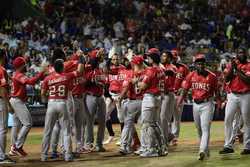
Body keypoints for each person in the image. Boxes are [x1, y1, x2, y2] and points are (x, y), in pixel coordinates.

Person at [40, 57, 84, 162]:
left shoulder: (48, 78)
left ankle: (44, 155)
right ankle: (68, 155)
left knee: (47, 131)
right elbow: (79, 71)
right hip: (62, 103)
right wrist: (81, 60)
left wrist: (47, 100)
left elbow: (42, 94)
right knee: (66, 131)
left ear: (54, 68)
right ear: (62, 67)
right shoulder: (67, 76)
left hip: (51, 103)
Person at [177, 53, 218, 160]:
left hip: (207, 104)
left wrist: (218, 103)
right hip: (195, 104)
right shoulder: (191, 75)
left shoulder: (212, 76)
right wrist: (179, 101)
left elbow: (216, 92)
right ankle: (205, 150)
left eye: (202, 63)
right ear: (195, 64)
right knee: (199, 129)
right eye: (198, 63)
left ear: (205, 64)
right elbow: (185, 90)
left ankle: (201, 150)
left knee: (205, 128)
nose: (200, 65)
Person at [9, 56, 46, 156]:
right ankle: (17, 146)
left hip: (15, 100)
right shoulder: (18, 75)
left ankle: (13, 147)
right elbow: (31, 82)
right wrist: (41, 73)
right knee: (28, 123)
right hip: (17, 101)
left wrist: (41, 75)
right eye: (24, 64)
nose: (26, 65)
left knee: (16, 125)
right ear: (21, 66)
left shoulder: (15, 74)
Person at [219, 48, 250, 155]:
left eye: (242, 53)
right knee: (228, 119)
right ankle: (228, 145)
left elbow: (247, 80)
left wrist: (237, 69)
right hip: (232, 95)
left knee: (247, 121)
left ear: (246, 54)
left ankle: (247, 146)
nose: (240, 55)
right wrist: (232, 66)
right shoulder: (232, 65)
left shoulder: (248, 65)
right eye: (239, 53)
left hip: (246, 95)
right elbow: (227, 79)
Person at [137, 48, 167, 157]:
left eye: (149, 56)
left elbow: (143, 86)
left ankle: (151, 149)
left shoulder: (151, 71)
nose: (147, 58)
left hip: (150, 98)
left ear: (153, 58)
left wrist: (138, 83)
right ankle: (162, 148)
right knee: (155, 124)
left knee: (147, 125)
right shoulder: (161, 69)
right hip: (158, 98)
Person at [119, 55, 144, 154]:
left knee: (127, 125)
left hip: (132, 102)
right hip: (143, 102)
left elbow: (125, 88)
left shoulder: (130, 74)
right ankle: (144, 147)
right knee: (143, 126)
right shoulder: (147, 73)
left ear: (134, 63)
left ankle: (124, 146)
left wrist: (120, 98)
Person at [0, 49, 15, 164]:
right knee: (2, 130)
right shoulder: (2, 70)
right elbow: (3, 89)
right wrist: (9, 104)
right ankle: (1, 156)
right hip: (1, 102)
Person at [171, 49, 189, 145]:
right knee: (166, 117)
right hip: (169, 95)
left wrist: (183, 88)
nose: (173, 59)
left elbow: (188, 80)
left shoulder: (183, 68)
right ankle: (168, 135)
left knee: (177, 117)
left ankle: (174, 137)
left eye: (175, 57)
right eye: (172, 57)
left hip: (178, 95)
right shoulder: (166, 67)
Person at [160, 50, 177, 145]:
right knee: (161, 118)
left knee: (163, 118)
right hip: (161, 95)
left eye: (165, 56)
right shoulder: (160, 66)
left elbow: (170, 72)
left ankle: (164, 140)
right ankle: (170, 136)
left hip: (168, 95)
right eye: (162, 56)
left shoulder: (172, 67)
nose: (163, 58)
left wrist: (160, 69)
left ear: (169, 58)